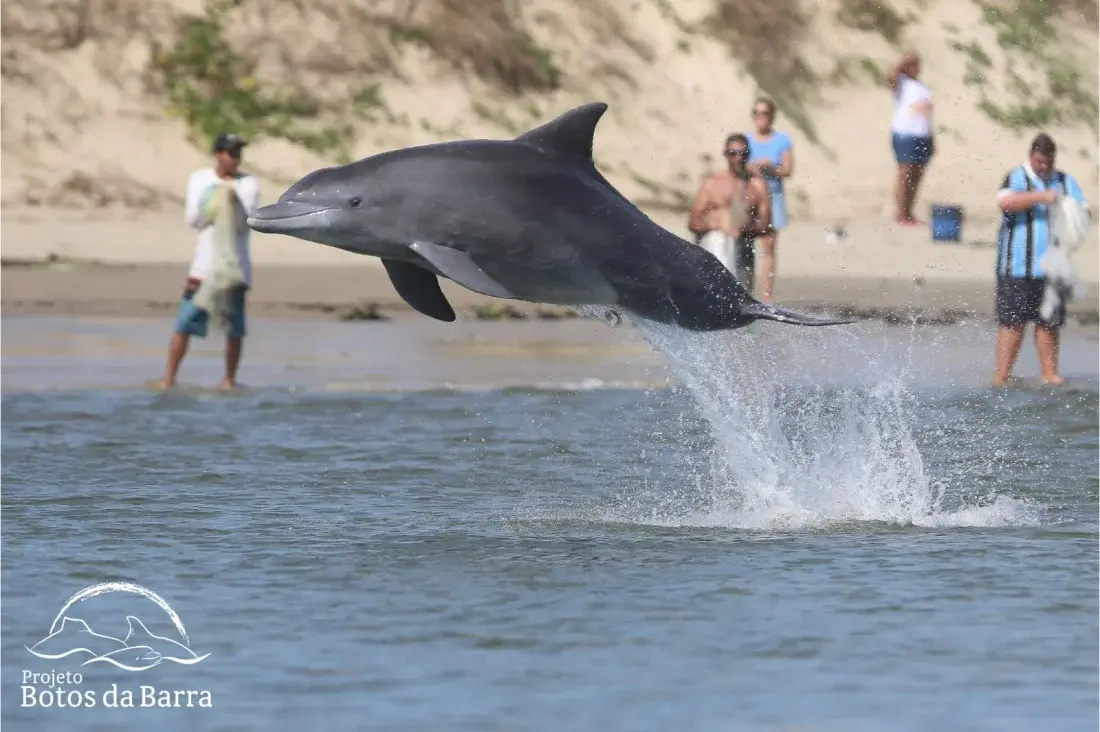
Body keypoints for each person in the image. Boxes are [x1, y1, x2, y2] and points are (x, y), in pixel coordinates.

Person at [159, 132, 261, 391]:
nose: (235, 158)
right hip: (203, 269)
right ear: (218, 154)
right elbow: (194, 220)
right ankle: (168, 379)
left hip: (233, 269)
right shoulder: (200, 179)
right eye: (231, 152)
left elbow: (245, 223)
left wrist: (233, 199)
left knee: (233, 329)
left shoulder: (248, 184)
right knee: (185, 323)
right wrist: (215, 199)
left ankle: (229, 379)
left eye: (238, 152)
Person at [993, 133, 1090, 387]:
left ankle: (1049, 373)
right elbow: (1004, 202)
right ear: (1031, 156)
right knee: (1012, 322)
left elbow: (1082, 211)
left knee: (1049, 323)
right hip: (1016, 266)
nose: (1043, 167)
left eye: (1048, 162)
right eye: (1039, 161)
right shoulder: (1017, 177)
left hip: (1054, 267)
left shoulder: (1066, 181)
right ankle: (1002, 376)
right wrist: (1039, 197)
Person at [687, 133, 772, 293]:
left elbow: (766, 226)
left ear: (749, 155)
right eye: (733, 153)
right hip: (714, 246)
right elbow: (693, 222)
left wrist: (743, 227)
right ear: (725, 155)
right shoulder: (712, 183)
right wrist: (714, 224)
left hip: (743, 249)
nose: (738, 158)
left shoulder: (758, 186)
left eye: (743, 154)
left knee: (742, 299)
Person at [745, 96, 794, 303]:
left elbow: (787, 170)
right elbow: (737, 166)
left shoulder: (782, 140)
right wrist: (752, 167)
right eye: (756, 113)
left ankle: (766, 294)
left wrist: (770, 168)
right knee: (745, 245)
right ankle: (745, 290)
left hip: (773, 195)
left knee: (768, 247)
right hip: (750, 196)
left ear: (772, 116)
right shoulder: (746, 140)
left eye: (764, 113)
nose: (760, 117)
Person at [887, 51, 934, 226]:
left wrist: (932, 140)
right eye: (911, 65)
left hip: (923, 135)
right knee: (904, 173)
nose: (914, 68)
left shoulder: (923, 88)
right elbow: (889, 75)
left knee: (917, 174)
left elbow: (928, 117)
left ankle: (908, 212)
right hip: (905, 134)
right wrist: (901, 64)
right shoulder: (901, 83)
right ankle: (900, 212)